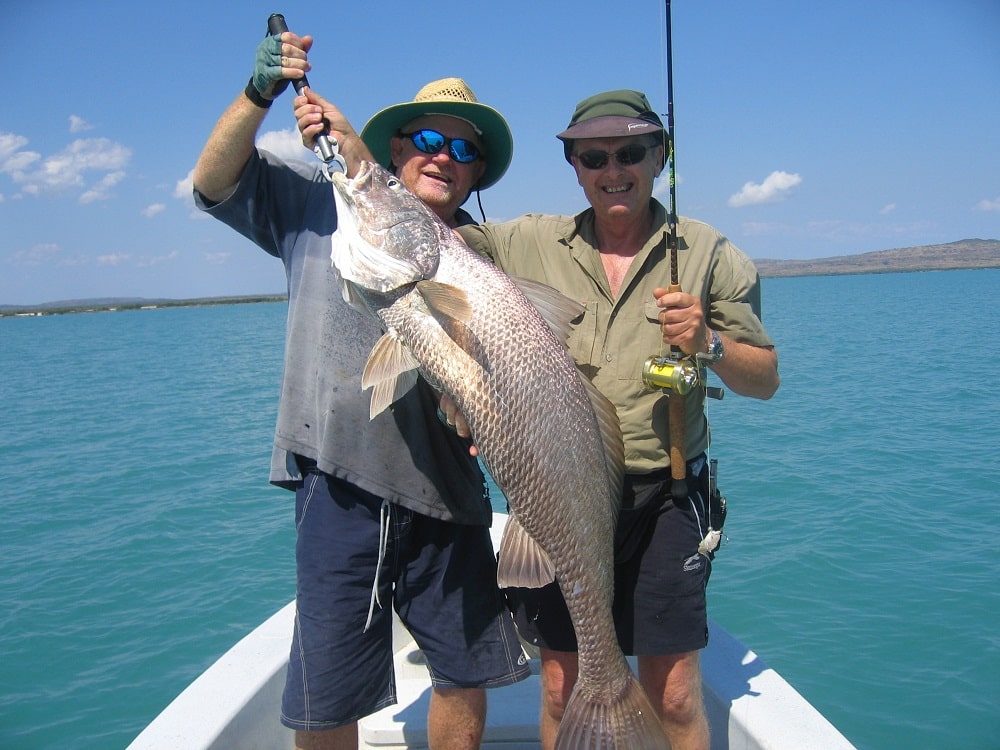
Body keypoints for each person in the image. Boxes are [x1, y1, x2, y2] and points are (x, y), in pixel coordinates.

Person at [192, 26, 528, 750]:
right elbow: (212, 182)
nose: (446, 155)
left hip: (451, 497)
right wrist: (260, 94)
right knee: (327, 697)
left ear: (476, 175)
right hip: (339, 483)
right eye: (429, 139)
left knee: (463, 677)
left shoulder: (480, 258)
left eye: (466, 149)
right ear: (396, 149)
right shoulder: (317, 208)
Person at [455, 90, 781, 750]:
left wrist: (708, 343)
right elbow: (437, 240)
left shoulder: (709, 252)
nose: (613, 169)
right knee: (557, 684)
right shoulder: (527, 241)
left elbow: (764, 379)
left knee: (676, 692)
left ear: (660, 157)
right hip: (557, 493)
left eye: (631, 152)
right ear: (573, 165)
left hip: (665, 494)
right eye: (593, 156)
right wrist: (412, 153)